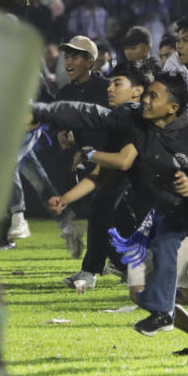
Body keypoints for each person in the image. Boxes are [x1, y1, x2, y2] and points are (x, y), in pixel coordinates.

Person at [32, 70, 188, 365]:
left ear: (168, 105)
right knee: (147, 290)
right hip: (165, 212)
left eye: (118, 84)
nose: (111, 90)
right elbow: (89, 116)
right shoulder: (132, 120)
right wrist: (41, 112)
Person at [54, 35, 114, 289]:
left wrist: (90, 151)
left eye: (76, 56)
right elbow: (66, 129)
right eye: (67, 56)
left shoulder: (106, 88)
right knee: (106, 216)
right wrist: (64, 136)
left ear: (91, 61)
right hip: (88, 162)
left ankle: (90, 270)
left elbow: (114, 127)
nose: (69, 61)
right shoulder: (65, 92)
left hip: (115, 161)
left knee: (102, 213)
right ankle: (121, 263)